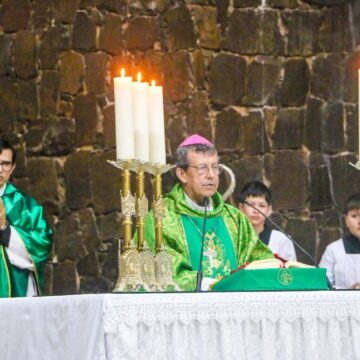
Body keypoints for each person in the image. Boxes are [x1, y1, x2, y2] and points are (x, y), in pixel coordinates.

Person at [143, 134, 273, 291]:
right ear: (182, 174)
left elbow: (260, 261)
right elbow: (164, 272)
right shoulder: (161, 218)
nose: (211, 175)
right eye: (202, 168)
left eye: (215, 167)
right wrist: (208, 284)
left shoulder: (235, 218)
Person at [0, 139, 52, 297]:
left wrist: (6, 231)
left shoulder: (27, 207)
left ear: (13, 168)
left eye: (5, 164)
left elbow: (43, 246)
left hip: (16, 294)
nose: (0, 169)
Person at [239, 181, 296, 261]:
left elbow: (290, 271)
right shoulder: (234, 238)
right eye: (251, 205)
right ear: (241, 208)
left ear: (269, 210)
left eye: (262, 206)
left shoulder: (282, 240)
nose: (256, 210)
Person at [319, 193, 360, 289]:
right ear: (346, 220)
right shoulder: (334, 250)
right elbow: (321, 285)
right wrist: (349, 291)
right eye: (354, 216)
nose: (359, 221)